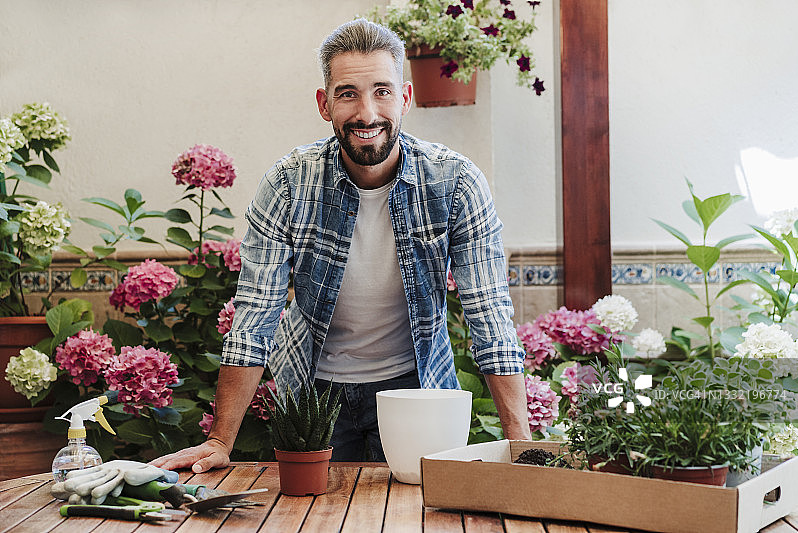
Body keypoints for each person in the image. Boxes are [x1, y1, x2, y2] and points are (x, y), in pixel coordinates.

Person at [152, 18, 530, 473]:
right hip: (315, 393)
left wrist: (520, 447)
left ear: (405, 98)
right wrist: (219, 441)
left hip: (419, 388)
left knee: (424, 514)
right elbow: (255, 314)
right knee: (315, 517)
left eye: (383, 91)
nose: (367, 113)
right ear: (324, 104)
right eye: (348, 93)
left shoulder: (455, 182)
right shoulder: (288, 183)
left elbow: (489, 313)